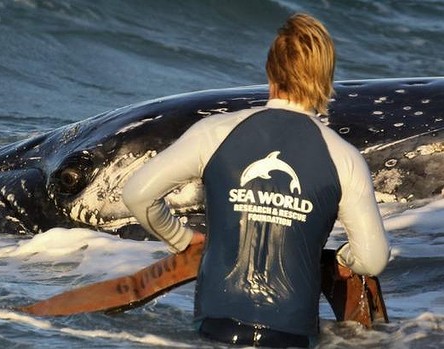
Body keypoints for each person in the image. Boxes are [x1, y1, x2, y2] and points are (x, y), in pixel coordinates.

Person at [122, 13, 390, 348]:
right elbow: (374, 257)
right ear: (326, 78)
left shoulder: (215, 132)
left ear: (270, 70)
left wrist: (181, 239)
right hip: (292, 336)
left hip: (217, 327)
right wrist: (338, 262)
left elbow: (136, 194)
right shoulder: (344, 157)